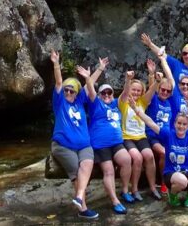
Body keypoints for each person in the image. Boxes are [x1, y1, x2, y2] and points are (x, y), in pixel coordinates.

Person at [48, 49, 98, 219]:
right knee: (77, 172)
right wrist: (56, 63)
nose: (68, 92)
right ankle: (83, 209)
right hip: (63, 146)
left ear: (76, 93)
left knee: (87, 163)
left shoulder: (79, 102)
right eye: (66, 90)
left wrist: (95, 72)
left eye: (72, 91)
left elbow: (90, 87)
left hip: (84, 145)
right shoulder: (60, 102)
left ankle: (78, 196)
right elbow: (59, 82)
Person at [78, 57, 132, 215]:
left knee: (126, 160)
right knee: (108, 171)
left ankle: (125, 190)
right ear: (100, 94)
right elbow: (90, 89)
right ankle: (115, 200)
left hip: (116, 143)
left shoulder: (116, 104)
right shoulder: (96, 103)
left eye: (109, 92)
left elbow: (126, 93)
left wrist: (128, 79)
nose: (107, 94)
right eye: (104, 92)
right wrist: (92, 75)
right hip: (100, 145)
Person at [137, 111, 188, 208]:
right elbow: (150, 123)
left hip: (187, 172)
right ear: (174, 124)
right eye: (179, 123)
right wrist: (136, 110)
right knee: (182, 181)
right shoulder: (168, 134)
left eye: (184, 124)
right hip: (171, 174)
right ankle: (172, 195)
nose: (181, 126)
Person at [118, 61, 161, 201]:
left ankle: (153, 187)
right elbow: (125, 93)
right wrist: (128, 80)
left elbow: (152, 90)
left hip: (141, 137)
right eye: (133, 89)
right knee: (137, 158)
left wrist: (156, 79)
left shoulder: (142, 102)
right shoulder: (123, 102)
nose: (135, 92)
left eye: (138, 90)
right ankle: (134, 189)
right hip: (127, 137)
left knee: (149, 156)